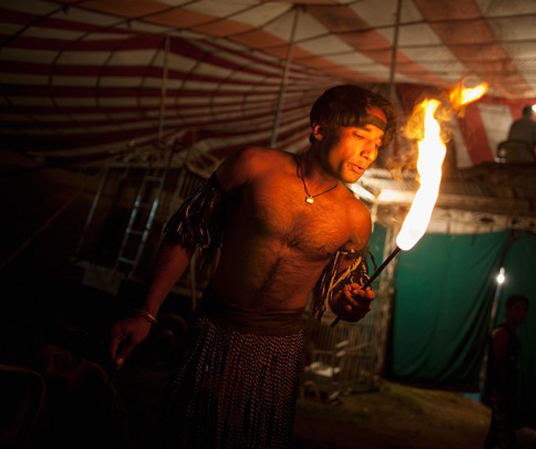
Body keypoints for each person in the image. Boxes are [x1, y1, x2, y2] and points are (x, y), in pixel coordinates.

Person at [108, 84, 397, 448]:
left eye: (378, 143)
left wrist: (350, 305)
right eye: (360, 136)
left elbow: (339, 294)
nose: (370, 152)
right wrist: (146, 313)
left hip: (279, 348)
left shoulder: (356, 219)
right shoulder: (253, 166)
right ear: (320, 129)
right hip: (215, 329)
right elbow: (186, 235)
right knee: (185, 434)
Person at [483, 294, 530, 449]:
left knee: (497, 430)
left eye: (524, 310)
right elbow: (499, 366)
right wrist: (503, 393)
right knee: (504, 433)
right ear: (508, 310)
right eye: (517, 309)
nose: (521, 313)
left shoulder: (514, 333)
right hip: (500, 391)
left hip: (507, 391)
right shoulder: (502, 333)